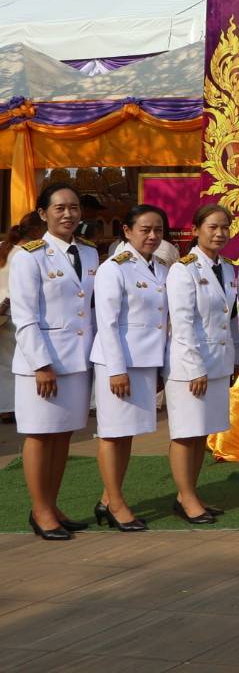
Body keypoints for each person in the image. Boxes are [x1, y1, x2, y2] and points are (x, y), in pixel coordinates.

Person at [11, 183, 98, 539]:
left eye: (74, 207)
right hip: (42, 365)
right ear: (43, 213)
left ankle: (53, 504)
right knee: (40, 435)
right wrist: (41, 365)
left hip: (76, 362)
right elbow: (25, 317)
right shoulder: (28, 256)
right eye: (60, 208)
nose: (68, 214)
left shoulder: (91, 253)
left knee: (63, 436)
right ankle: (40, 509)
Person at [90, 204, 172, 531]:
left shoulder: (161, 267)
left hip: (145, 362)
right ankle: (117, 504)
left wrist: (158, 367)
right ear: (126, 231)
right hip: (118, 362)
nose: (152, 236)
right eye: (145, 230)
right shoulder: (114, 268)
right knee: (112, 433)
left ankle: (107, 499)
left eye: (158, 231)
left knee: (127, 435)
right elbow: (107, 323)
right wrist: (116, 369)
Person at [165, 204, 239, 524]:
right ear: (196, 229)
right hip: (190, 367)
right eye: (212, 227)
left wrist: (236, 358)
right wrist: (195, 367)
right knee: (185, 433)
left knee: (201, 434)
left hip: (218, 362)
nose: (219, 233)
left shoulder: (226, 268)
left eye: (224, 227)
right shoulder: (183, 269)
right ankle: (185, 497)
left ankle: (191, 493)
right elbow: (182, 323)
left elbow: (232, 318)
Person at [1, 216, 48, 425]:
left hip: (5, 311)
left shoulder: (5, 247)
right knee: (10, 362)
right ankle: (8, 407)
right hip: (11, 312)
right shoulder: (28, 253)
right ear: (38, 229)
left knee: (3, 362)